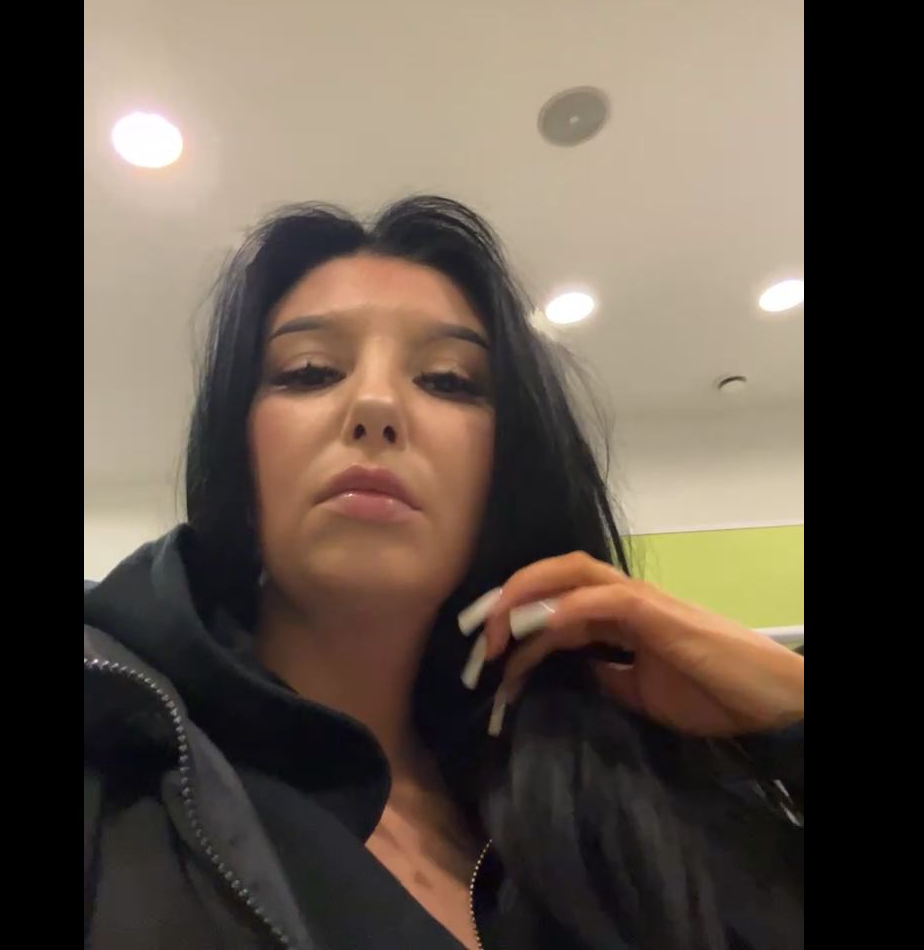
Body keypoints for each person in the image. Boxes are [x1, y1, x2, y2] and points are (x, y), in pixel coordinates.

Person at [83, 196, 803, 950]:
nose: (375, 404)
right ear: (240, 449)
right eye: (310, 371)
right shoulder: (116, 749)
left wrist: (788, 707)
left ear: (503, 470)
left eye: (449, 380)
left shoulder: (595, 798)